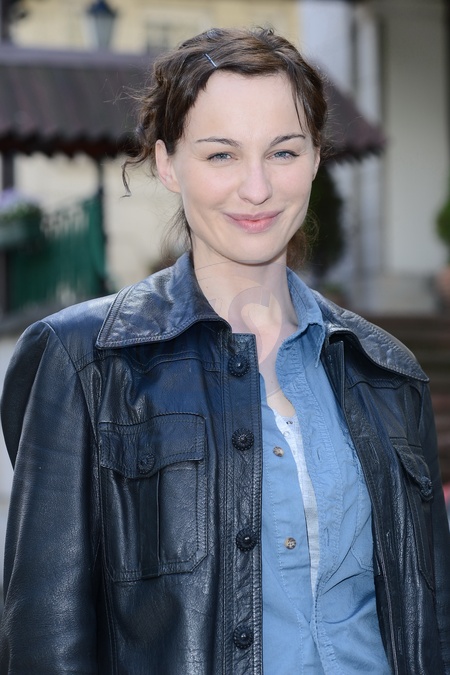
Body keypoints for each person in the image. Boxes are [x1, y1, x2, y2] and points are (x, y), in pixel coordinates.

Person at [1, 26, 449, 675]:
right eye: (221, 155)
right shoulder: (83, 362)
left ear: (315, 159)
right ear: (167, 163)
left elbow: (431, 621)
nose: (257, 187)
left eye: (284, 151)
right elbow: (46, 638)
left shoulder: (387, 371)